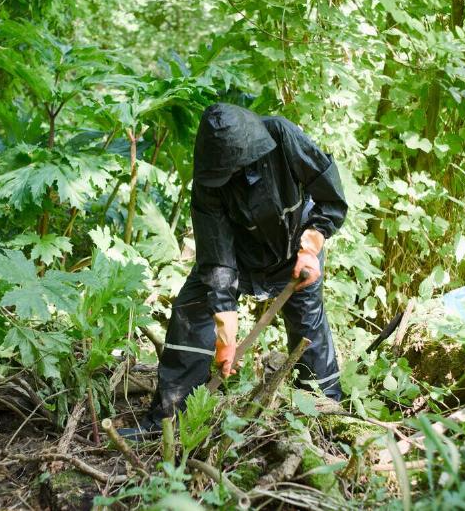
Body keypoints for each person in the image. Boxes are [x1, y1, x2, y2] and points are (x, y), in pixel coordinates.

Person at [124, 103, 348, 438]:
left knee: (308, 330)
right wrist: (225, 326)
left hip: (295, 253)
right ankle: (168, 421)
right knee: (191, 313)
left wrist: (312, 246)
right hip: (238, 259)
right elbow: (216, 255)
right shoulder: (208, 183)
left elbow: (330, 196)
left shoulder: (282, 136)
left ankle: (325, 414)